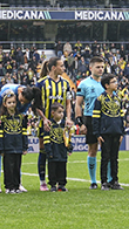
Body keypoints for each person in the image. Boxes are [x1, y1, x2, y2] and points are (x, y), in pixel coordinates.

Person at [0, 83, 43, 193]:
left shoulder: (27, 98)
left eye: (24, 102)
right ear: (20, 93)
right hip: (0, 116)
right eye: (21, 100)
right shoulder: (7, 90)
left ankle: (18, 183)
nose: (21, 103)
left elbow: (22, 112)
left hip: (14, 120)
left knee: (17, 154)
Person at [36, 55, 73, 191]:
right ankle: (42, 181)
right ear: (53, 68)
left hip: (60, 125)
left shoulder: (66, 84)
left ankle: (59, 182)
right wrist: (44, 119)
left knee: (60, 151)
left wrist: (68, 118)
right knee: (44, 150)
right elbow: (37, 105)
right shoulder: (41, 83)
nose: (64, 68)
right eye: (61, 66)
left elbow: (68, 103)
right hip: (45, 124)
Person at [73, 56, 107, 189]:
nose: (100, 69)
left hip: (106, 118)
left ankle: (108, 179)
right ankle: (93, 181)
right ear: (91, 68)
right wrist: (80, 122)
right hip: (90, 117)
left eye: (102, 67)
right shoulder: (84, 84)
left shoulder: (107, 83)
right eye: (98, 67)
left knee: (107, 149)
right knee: (92, 149)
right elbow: (78, 104)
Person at [92, 73, 125, 190]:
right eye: (114, 82)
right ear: (106, 85)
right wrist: (97, 134)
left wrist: (122, 132)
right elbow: (95, 118)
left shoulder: (118, 99)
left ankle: (114, 181)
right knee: (105, 158)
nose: (116, 84)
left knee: (114, 158)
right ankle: (104, 182)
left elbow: (121, 117)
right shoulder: (100, 99)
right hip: (105, 134)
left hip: (116, 133)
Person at [0, 91, 30, 194]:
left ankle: (16, 186)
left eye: (14, 102)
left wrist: (25, 146)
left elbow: (24, 132)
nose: (12, 104)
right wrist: (1, 147)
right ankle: (9, 187)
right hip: (8, 147)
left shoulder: (20, 117)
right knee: (8, 168)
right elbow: (0, 134)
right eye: (9, 102)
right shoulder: (2, 118)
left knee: (16, 167)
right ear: (5, 104)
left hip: (18, 146)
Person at [43, 103, 72, 192]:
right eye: (59, 112)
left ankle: (62, 184)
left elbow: (67, 137)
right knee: (52, 168)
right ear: (53, 113)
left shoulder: (65, 125)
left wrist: (69, 147)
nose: (61, 114)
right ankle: (52, 184)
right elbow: (46, 139)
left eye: (62, 112)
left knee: (62, 168)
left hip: (62, 151)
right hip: (53, 151)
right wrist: (49, 151)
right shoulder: (49, 125)